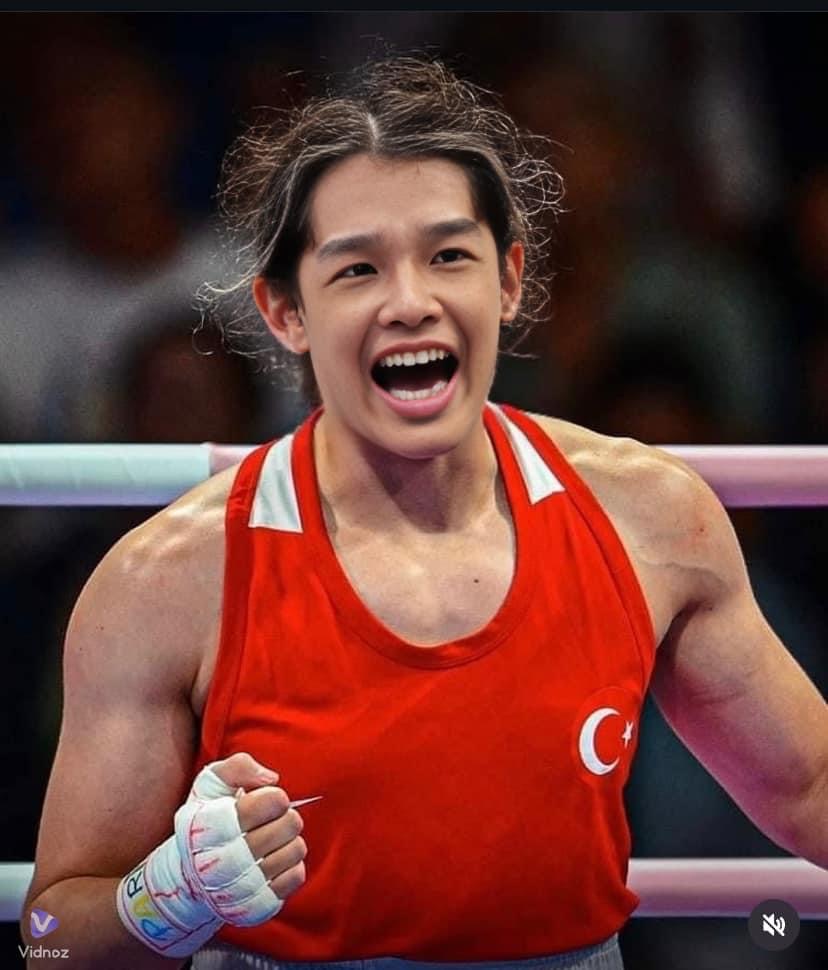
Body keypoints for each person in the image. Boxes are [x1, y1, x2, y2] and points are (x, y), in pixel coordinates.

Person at [21, 57, 827, 970]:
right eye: (358, 268)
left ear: (509, 280)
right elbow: (48, 940)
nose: (410, 302)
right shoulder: (166, 582)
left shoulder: (651, 520)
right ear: (285, 311)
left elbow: (808, 786)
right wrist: (165, 898)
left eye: (448, 256)